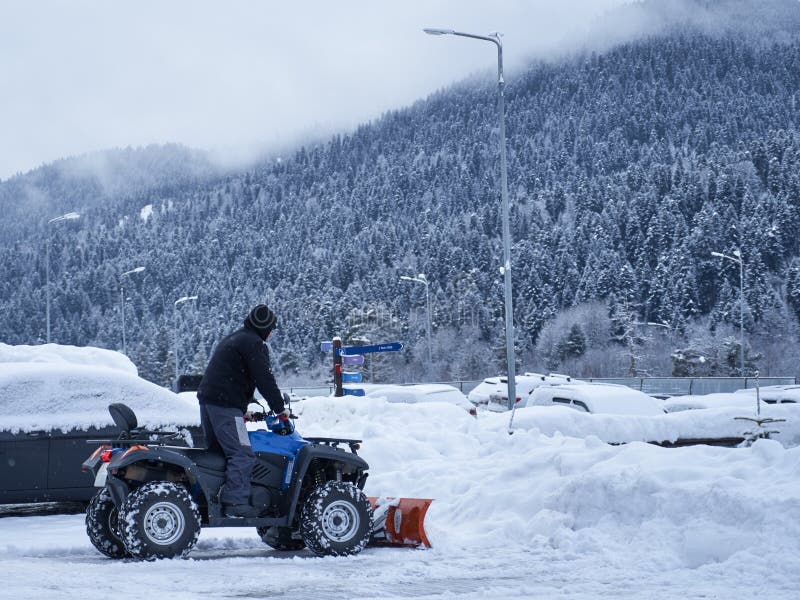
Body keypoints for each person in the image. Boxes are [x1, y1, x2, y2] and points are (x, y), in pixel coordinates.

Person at [197, 304, 289, 518]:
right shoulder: (255, 344)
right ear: (266, 328)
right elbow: (264, 379)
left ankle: (214, 497)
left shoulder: (236, 338)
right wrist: (279, 408)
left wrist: (244, 407)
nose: (272, 334)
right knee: (242, 454)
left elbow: (234, 376)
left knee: (218, 454)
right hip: (225, 405)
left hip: (210, 402)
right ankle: (235, 504)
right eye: (272, 329)